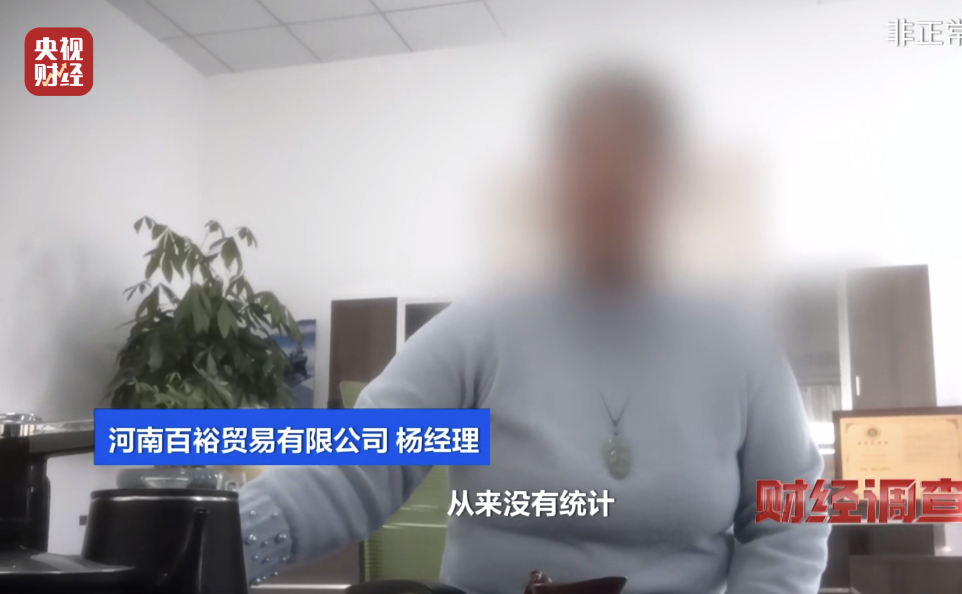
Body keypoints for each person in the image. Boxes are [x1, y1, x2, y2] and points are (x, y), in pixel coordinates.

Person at [239, 70, 829, 594]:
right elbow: (353, 467)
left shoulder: (740, 348)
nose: (610, 187)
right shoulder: (482, 329)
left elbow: (792, 518)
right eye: (588, 162)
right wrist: (216, 541)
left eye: (635, 165)